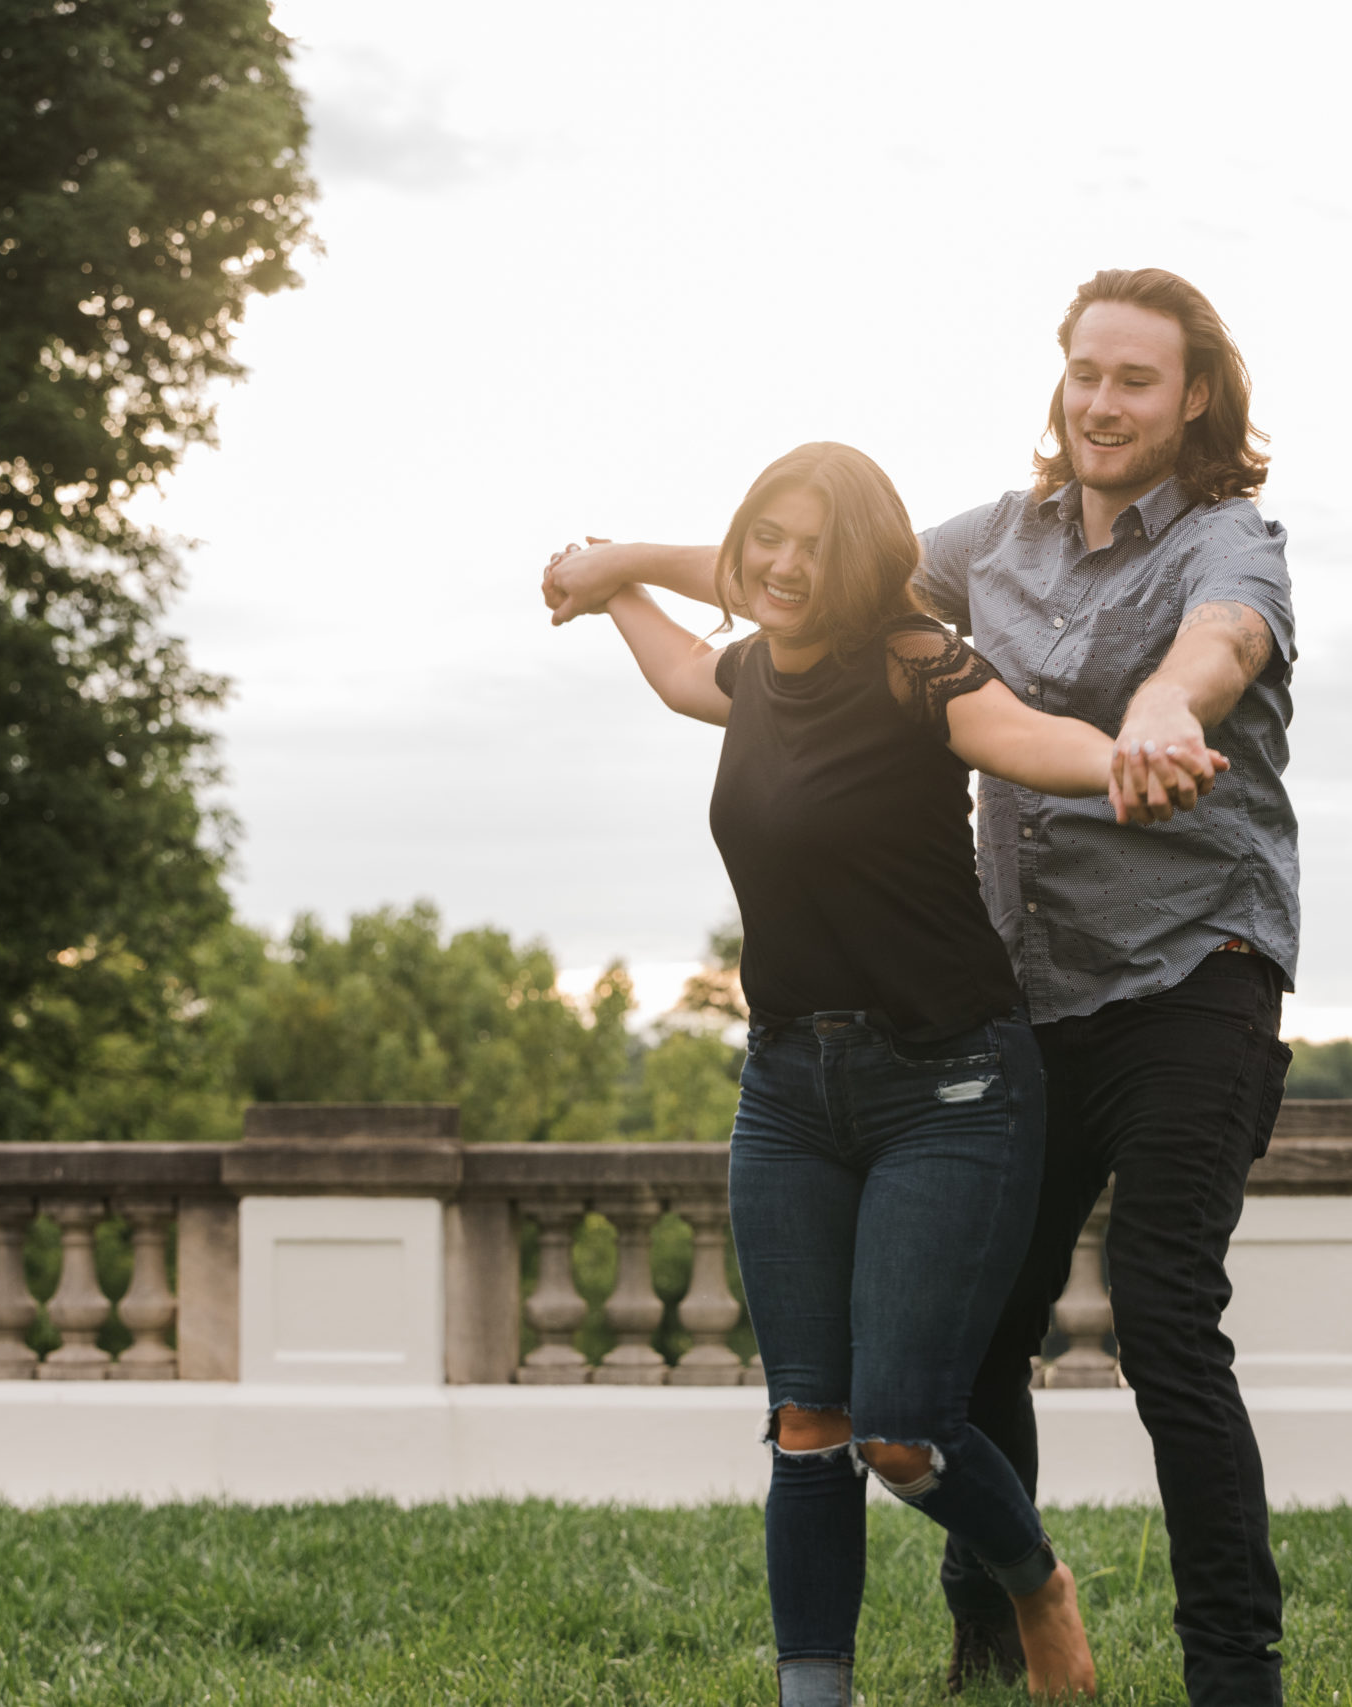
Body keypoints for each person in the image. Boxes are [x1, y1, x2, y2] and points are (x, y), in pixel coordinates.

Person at [545, 268, 1298, 1706]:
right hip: (1021, 995)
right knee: (965, 1353)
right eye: (1086, 371)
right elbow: (801, 571)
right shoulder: (987, 545)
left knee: (1160, 1314)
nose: (1101, 401)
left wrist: (1157, 711)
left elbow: (1222, 641)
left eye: (1135, 379)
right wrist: (617, 560)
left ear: (1194, 395)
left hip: (1190, 970)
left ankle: (1232, 1677)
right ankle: (994, 1651)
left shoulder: (1227, 541)